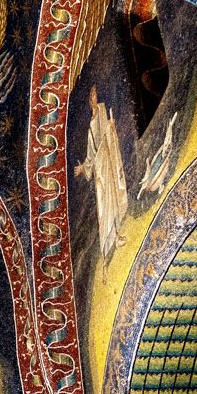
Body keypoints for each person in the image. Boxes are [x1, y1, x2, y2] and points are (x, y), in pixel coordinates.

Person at [75, 85, 128, 275]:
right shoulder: (90, 126)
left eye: (95, 93)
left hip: (108, 161)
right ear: (89, 100)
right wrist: (83, 168)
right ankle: (106, 253)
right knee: (104, 207)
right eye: (91, 94)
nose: (94, 96)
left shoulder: (104, 111)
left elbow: (109, 133)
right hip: (99, 170)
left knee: (113, 197)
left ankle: (117, 234)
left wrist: (112, 127)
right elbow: (90, 155)